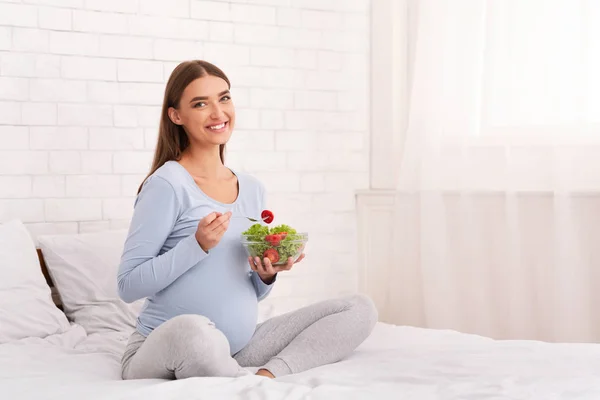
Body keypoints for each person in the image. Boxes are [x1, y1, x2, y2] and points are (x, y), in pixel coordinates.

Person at [117, 60, 378, 380]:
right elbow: (128, 285)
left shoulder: (252, 188)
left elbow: (249, 291)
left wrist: (266, 275)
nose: (218, 113)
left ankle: (265, 378)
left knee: (358, 308)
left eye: (224, 98)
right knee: (193, 328)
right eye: (201, 104)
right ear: (176, 116)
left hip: (238, 348)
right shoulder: (167, 184)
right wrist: (196, 245)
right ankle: (243, 385)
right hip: (168, 346)